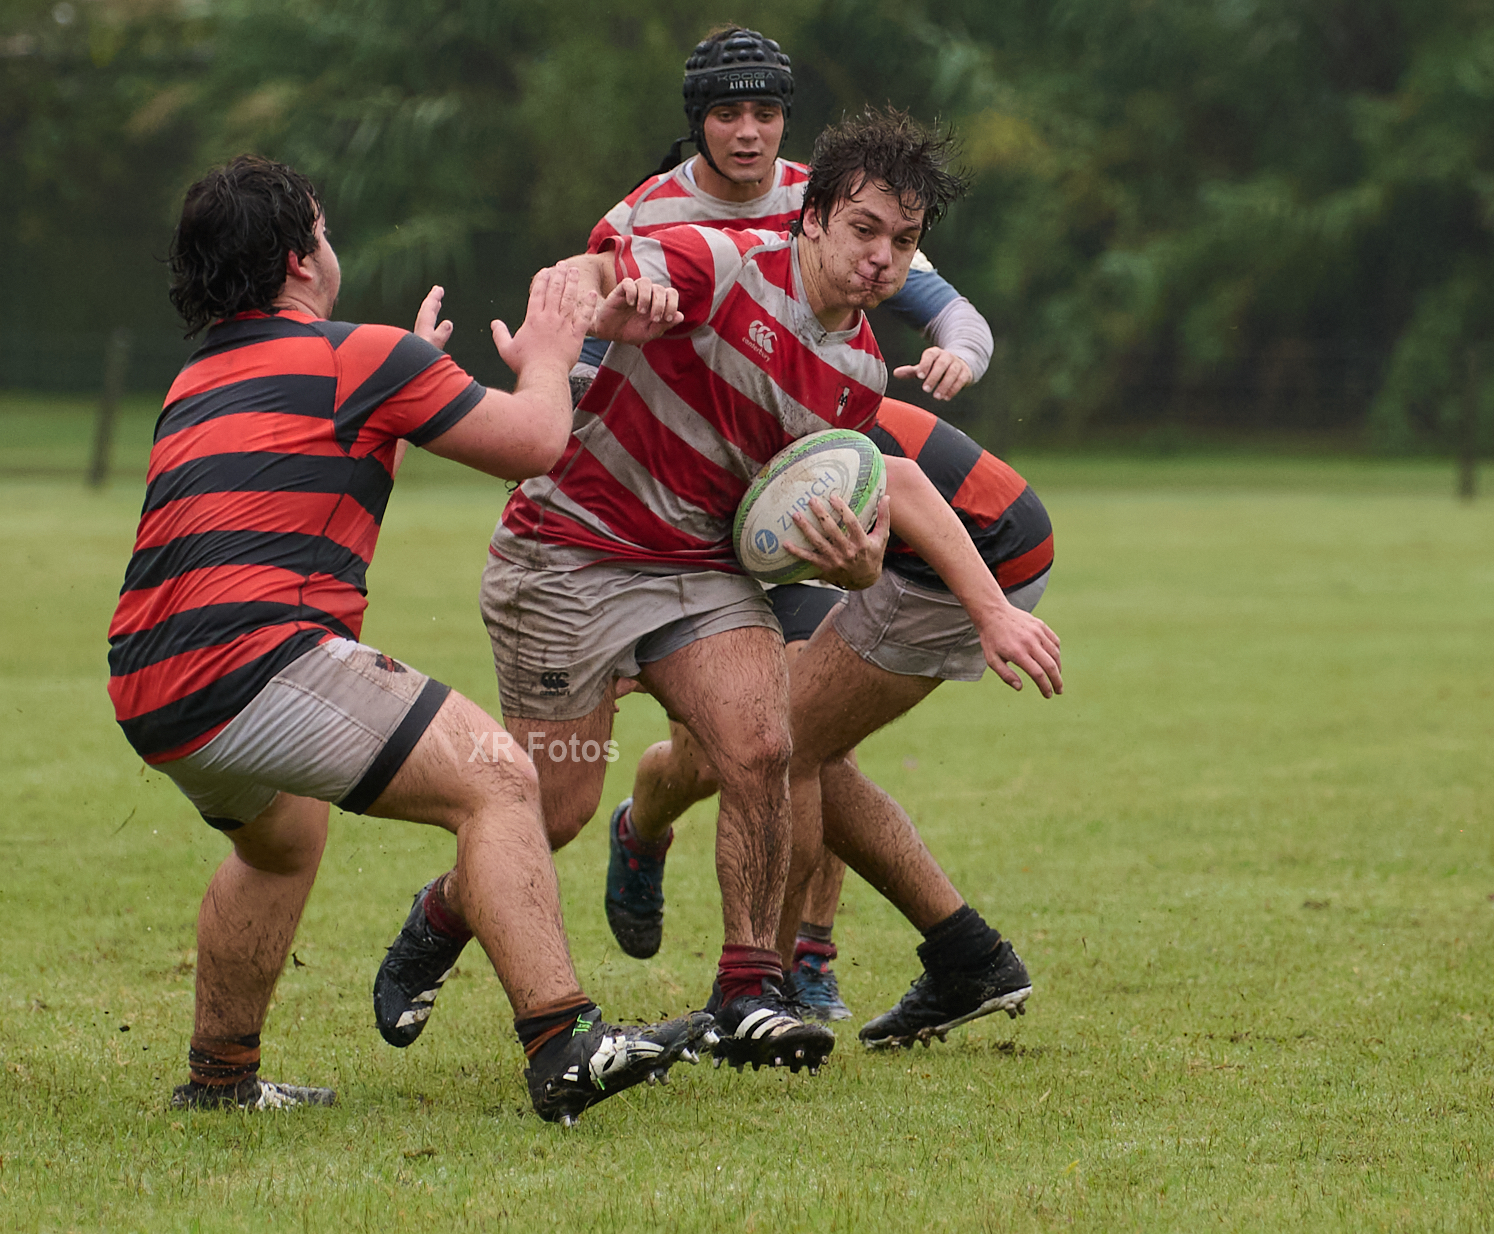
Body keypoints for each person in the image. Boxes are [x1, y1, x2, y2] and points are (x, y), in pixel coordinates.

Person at [374, 107, 1055, 1073]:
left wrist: (857, 563)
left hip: (698, 568)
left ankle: (750, 989)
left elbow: (790, 515)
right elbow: (602, 273)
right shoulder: (720, 257)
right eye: (864, 230)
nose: (881, 258)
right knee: (555, 809)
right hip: (570, 551)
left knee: (766, 742)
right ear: (811, 218)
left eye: (904, 243)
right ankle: (441, 915)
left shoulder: (858, 368)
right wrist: (600, 308)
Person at [107, 155, 711, 1124]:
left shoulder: (197, 379)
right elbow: (531, 444)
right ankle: (563, 1042)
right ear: (302, 261)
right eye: (324, 230)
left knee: (282, 840)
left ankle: (219, 1078)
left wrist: (407, 375)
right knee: (501, 780)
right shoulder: (362, 358)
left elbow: (307, 455)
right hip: (255, 664)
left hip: (147, 684)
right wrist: (552, 353)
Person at [614, 398, 1059, 1046]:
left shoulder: (732, 402)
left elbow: (900, 481)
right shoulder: (692, 412)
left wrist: (991, 613)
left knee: (780, 750)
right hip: (970, 537)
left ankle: (767, 993)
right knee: (764, 750)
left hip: (965, 547)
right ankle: (962, 957)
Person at [570, 24, 995, 407]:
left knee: (969, 482)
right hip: (676, 439)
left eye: (766, 114)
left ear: (784, 121)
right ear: (698, 123)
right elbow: (588, 350)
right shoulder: (638, 217)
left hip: (806, 422)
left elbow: (952, 313)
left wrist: (959, 356)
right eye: (727, 114)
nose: (749, 132)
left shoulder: (832, 202)